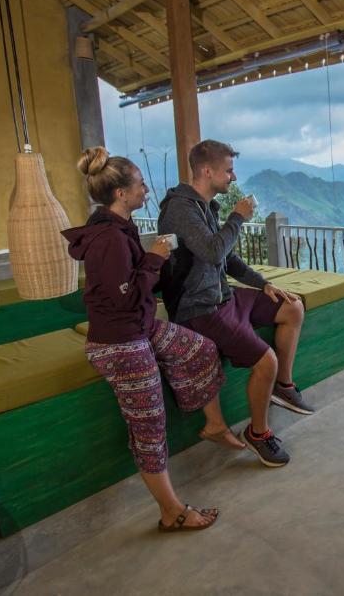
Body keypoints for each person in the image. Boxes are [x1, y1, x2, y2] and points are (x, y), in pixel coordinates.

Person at [63, 147, 243, 533]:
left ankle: (212, 423)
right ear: (121, 195)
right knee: (149, 425)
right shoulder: (108, 238)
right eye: (140, 184)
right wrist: (157, 257)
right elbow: (126, 295)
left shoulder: (121, 229)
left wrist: (162, 263)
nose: (147, 188)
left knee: (199, 349)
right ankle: (172, 511)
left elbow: (134, 288)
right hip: (119, 343)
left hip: (139, 326)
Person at [158, 140, 312, 468]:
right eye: (228, 170)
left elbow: (226, 259)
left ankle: (283, 386)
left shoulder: (206, 207)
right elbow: (214, 250)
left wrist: (264, 284)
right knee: (264, 361)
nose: (233, 176)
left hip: (223, 296)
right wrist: (238, 218)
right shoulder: (181, 209)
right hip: (199, 309)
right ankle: (258, 433)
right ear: (207, 171)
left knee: (292, 307)